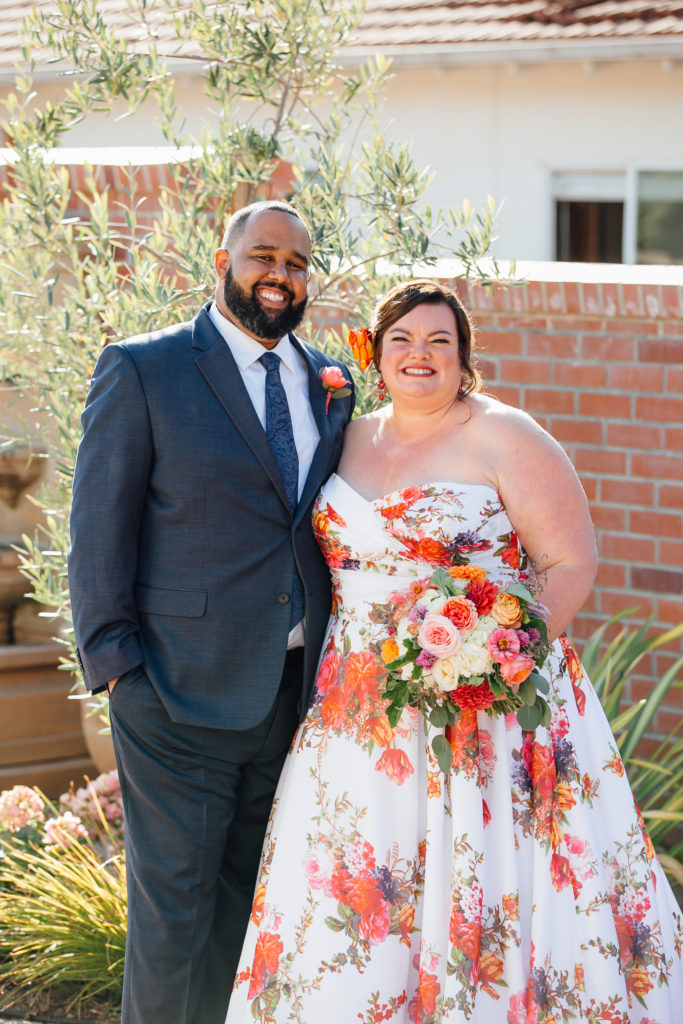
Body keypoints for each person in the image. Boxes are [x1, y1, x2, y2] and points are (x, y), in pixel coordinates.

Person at [225, 279, 683, 1022]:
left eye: (439, 340)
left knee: (482, 879)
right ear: (372, 353)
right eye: (402, 339)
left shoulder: (508, 436)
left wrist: (496, 657)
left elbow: (569, 563)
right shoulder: (344, 435)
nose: (420, 354)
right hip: (357, 710)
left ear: (464, 356)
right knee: (366, 879)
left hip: (490, 708)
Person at [67, 200, 355, 1024]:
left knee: (252, 913)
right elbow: (97, 529)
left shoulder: (329, 382)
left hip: (293, 695)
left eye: (297, 263)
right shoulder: (144, 367)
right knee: (174, 919)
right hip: (173, 692)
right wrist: (118, 669)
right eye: (263, 256)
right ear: (222, 261)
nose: (279, 275)